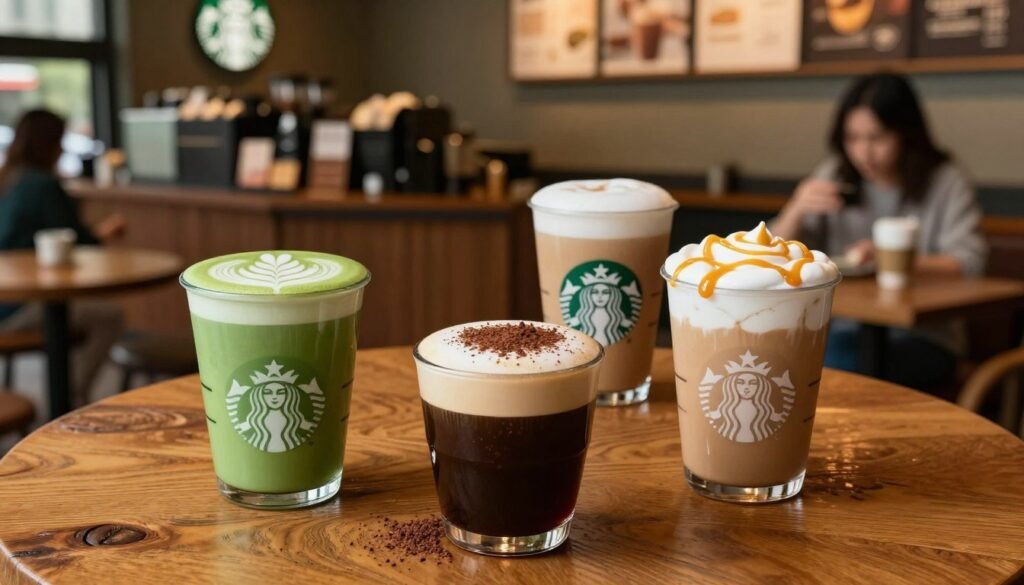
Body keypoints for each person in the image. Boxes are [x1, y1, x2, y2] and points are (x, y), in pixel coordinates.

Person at [770, 73, 988, 391]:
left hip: (924, 335)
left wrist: (889, 258)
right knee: (786, 353)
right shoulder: (836, 174)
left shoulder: (944, 181)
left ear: (906, 134)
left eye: (877, 138)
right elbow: (775, 252)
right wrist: (796, 208)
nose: (864, 152)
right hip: (842, 325)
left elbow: (969, 262)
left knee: (837, 362)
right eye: (853, 138)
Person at [0, 109, 126, 405]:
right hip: (17, 306)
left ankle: (66, 393)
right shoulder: (43, 185)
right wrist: (107, 231)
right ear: (52, 144)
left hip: (8, 296)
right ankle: (71, 394)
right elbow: (80, 241)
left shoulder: (7, 178)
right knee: (110, 316)